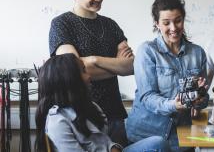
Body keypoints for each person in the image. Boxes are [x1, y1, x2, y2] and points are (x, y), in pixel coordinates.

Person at [49, 0, 133, 146]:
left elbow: (130, 66)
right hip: (81, 117)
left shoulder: (110, 25)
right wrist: (115, 65)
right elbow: (73, 70)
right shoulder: (62, 24)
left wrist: (93, 61)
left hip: (114, 114)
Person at [35, 53, 170, 152]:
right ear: (68, 80)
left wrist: (113, 148)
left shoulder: (91, 107)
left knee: (158, 143)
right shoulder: (57, 121)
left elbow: (104, 142)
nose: (89, 76)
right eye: (82, 71)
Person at [125, 0, 209, 152]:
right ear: (157, 24)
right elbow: (147, 97)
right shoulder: (147, 51)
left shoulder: (198, 53)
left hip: (181, 137)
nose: (173, 27)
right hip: (146, 135)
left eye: (178, 20)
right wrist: (174, 105)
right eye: (166, 23)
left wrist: (200, 97)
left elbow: (203, 101)